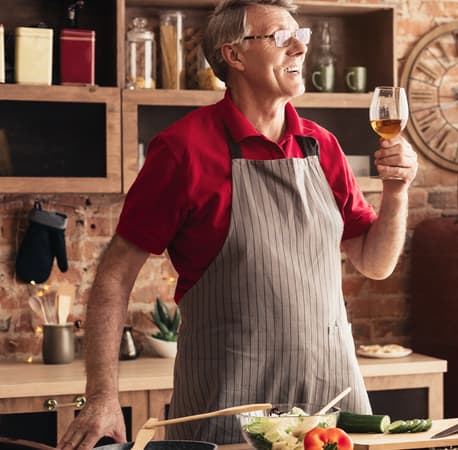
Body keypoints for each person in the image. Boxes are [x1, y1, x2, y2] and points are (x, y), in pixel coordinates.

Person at [57, 0, 418, 447]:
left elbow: (374, 262)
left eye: (299, 37)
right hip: (228, 410)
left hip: (332, 407)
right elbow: (113, 277)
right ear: (234, 55)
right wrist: (101, 397)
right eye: (280, 38)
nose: (299, 50)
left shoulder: (322, 147)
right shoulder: (183, 150)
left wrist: (397, 191)